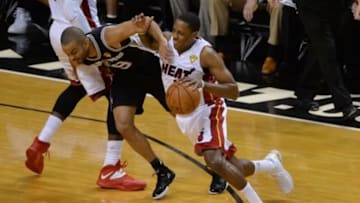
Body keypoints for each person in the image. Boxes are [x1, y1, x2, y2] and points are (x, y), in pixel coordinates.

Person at [141, 12, 294, 202]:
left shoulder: (206, 54)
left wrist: (204, 84)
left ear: (194, 35)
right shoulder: (167, 43)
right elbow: (148, 39)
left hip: (209, 110)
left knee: (213, 161)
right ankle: (271, 165)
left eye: (181, 33)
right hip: (185, 115)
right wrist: (141, 29)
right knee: (233, 168)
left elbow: (233, 91)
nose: (176, 36)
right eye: (174, 30)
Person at [25, 0, 147, 191]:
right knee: (116, 91)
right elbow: (73, 10)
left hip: (60, 31)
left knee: (77, 86)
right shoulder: (86, 37)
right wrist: (91, 42)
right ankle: (110, 168)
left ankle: (40, 143)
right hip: (80, 33)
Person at [60, 15, 177, 200]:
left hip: (151, 68)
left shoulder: (108, 36)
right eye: (69, 54)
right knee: (122, 124)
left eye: (74, 51)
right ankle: (161, 170)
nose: (72, 57)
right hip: (126, 77)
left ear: (85, 42)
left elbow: (146, 21)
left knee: (184, 118)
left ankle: (219, 162)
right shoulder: (81, 59)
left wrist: (162, 41)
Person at [290, 0, 359, 120]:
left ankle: (304, 93)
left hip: (336, 5)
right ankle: (345, 105)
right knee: (327, 51)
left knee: (320, 49)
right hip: (309, 5)